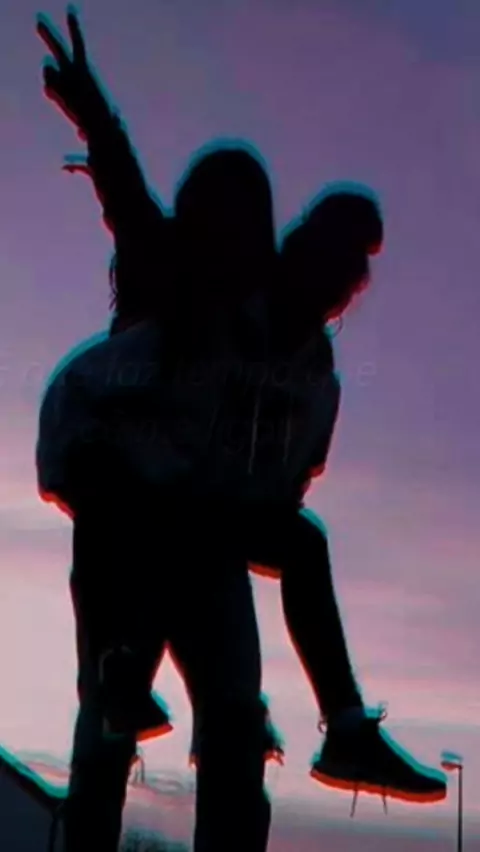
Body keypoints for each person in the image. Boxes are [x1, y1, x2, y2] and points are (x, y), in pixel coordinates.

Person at [37, 7, 447, 817]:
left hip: (207, 528)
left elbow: (282, 493)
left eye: (346, 280)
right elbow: (134, 209)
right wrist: (95, 118)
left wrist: (258, 516)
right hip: (124, 500)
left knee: (238, 708)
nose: (333, 291)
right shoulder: (193, 294)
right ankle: (119, 674)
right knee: (109, 731)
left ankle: (341, 728)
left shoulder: (312, 376)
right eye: (323, 265)